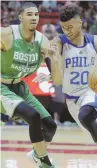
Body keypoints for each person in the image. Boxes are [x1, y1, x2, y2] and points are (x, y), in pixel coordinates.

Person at [1, 2, 57, 168]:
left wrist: (51, 67)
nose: (34, 17)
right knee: (33, 116)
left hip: (20, 87)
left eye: (36, 14)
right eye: (29, 14)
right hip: (1, 86)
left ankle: (36, 154)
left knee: (50, 126)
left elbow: (54, 70)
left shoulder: (42, 41)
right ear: (20, 17)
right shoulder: (6, 34)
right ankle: (44, 162)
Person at [50, 3, 97, 155]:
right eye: (64, 27)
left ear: (80, 22)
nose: (67, 31)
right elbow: (57, 81)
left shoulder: (95, 41)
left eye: (70, 27)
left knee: (86, 115)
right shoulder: (59, 42)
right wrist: (55, 60)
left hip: (93, 91)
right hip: (72, 101)